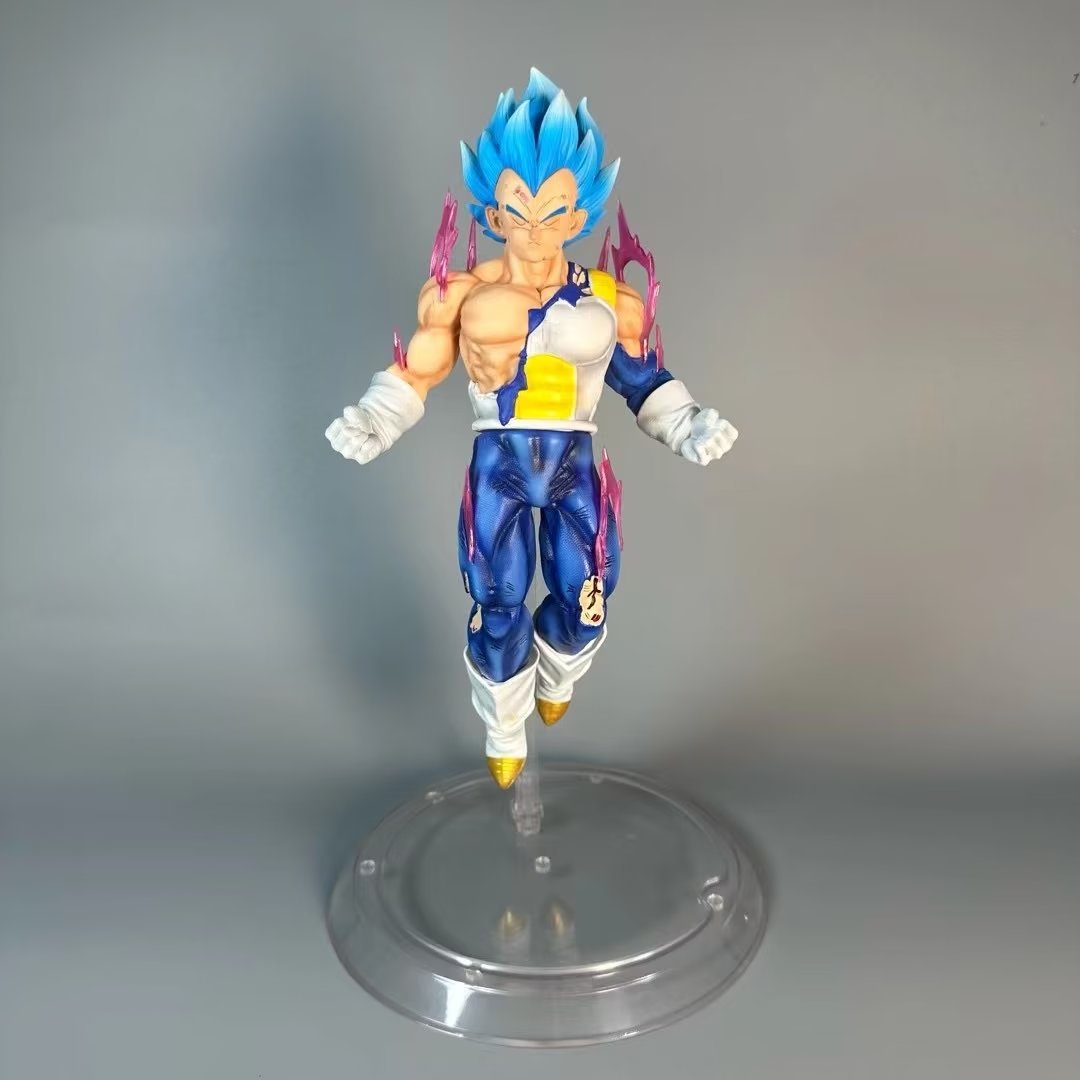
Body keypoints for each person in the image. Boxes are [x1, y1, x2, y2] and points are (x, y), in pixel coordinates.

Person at [326, 69, 737, 788]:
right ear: (493, 211)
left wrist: (687, 424)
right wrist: (376, 416)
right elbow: (419, 368)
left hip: (574, 463)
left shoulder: (609, 300)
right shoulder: (463, 295)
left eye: (554, 213)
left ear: (579, 217)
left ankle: (556, 672)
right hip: (500, 463)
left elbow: (642, 380)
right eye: (520, 210)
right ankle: (503, 724)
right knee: (497, 602)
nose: (537, 231)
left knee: (588, 599)